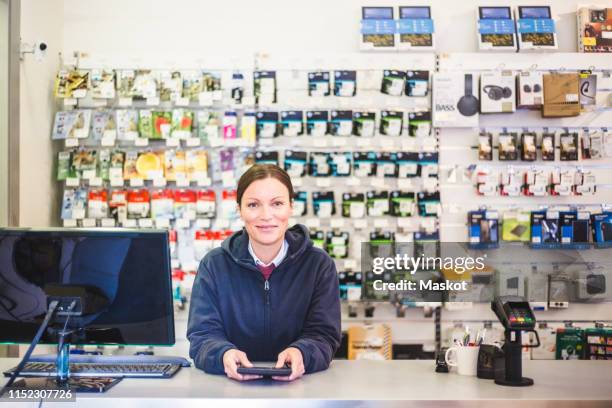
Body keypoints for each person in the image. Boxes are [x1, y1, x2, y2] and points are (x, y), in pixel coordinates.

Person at [187, 164, 341, 381]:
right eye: (253, 205)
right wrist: (223, 354)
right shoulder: (214, 265)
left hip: (301, 391)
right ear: (239, 210)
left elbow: (324, 336)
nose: (266, 215)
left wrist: (301, 352)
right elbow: (202, 336)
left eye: (277, 203)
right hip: (229, 392)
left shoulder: (318, 265)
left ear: (291, 207)